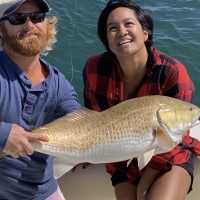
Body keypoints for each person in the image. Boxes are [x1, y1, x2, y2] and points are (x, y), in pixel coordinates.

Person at [83, 0, 200, 200]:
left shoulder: (172, 72)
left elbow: (174, 138)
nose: (121, 31)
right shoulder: (95, 68)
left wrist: (144, 184)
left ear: (145, 33)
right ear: (107, 41)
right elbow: (94, 119)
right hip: (121, 159)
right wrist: (82, 151)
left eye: (129, 24)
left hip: (169, 157)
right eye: (112, 28)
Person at [0, 0, 80, 199]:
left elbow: (82, 125)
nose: (29, 24)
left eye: (37, 17)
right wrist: (3, 136)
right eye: (17, 18)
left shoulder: (60, 85)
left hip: (42, 192)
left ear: (46, 25)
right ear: (1, 30)